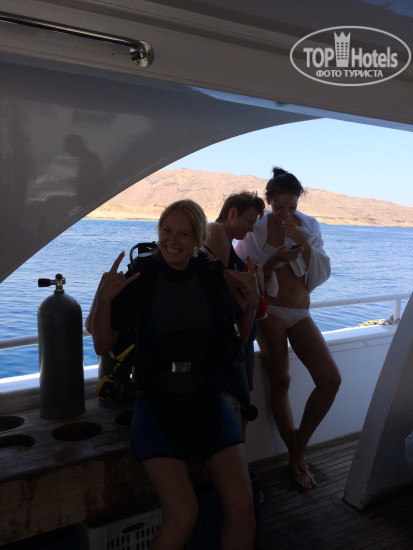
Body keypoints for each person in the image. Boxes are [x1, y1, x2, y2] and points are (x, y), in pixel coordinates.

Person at [88, 199, 259, 550]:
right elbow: (102, 345)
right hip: (156, 404)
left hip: (206, 399)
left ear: (197, 239)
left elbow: (237, 342)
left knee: (243, 508)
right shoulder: (141, 277)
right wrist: (103, 300)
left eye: (184, 233)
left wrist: (253, 302)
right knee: (183, 515)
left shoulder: (209, 277)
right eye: (167, 230)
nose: (172, 240)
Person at [235, 167, 342, 489]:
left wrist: (303, 241)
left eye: (292, 206)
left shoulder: (309, 226)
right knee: (280, 380)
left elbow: (321, 268)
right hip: (270, 311)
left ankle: (298, 448)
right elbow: (249, 277)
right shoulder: (256, 230)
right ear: (268, 201)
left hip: (300, 310)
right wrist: (274, 259)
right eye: (279, 207)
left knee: (330, 380)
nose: (285, 213)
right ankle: (296, 459)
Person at [204, 191, 265, 430]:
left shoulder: (227, 242)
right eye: (249, 221)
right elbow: (218, 280)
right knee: (238, 405)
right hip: (230, 340)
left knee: (242, 405)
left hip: (241, 336)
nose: (250, 229)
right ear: (232, 213)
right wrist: (249, 281)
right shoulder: (216, 231)